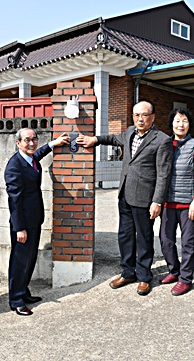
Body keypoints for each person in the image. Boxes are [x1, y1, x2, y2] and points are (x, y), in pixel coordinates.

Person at [77, 101, 172, 296]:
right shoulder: (129, 132)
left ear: (153, 117)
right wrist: (95, 139)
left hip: (145, 198)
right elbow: (113, 138)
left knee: (144, 237)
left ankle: (144, 276)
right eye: (136, 115)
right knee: (125, 235)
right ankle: (128, 272)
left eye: (144, 115)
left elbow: (163, 174)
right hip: (125, 195)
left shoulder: (162, 140)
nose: (140, 119)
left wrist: (157, 201)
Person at [4, 128, 69, 316]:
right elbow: (14, 200)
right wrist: (19, 228)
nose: (31, 143)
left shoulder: (30, 159)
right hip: (23, 223)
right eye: (27, 140)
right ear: (18, 143)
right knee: (19, 261)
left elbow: (37, 153)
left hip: (35, 219)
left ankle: (23, 291)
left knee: (30, 258)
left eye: (34, 139)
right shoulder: (14, 166)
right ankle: (16, 300)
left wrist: (53, 144)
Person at [158, 108, 194, 296]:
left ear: (189, 124)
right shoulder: (165, 144)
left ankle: (185, 279)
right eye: (177, 121)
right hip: (167, 203)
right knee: (166, 240)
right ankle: (174, 270)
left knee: (188, 243)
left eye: (184, 121)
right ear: (171, 124)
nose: (181, 124)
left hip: (188, 204)